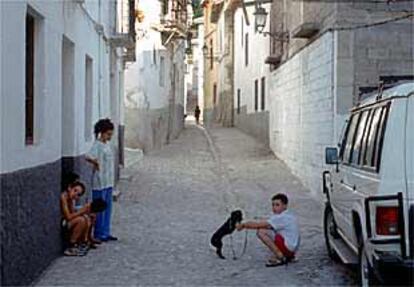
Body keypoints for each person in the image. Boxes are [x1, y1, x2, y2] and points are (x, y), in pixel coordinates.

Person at [236, 193, 300, 267]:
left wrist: (243, 225)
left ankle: (280, 256)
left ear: (285, 206)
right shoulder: (289, 215)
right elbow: (269, 222)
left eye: (277, 205)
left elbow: (259, 225)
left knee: (261, 231)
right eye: (273, 205)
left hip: (288, 249)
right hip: (293, 249)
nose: (274, 207)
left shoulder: (281, 217)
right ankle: (289, 256)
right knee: (268, 228)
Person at [85, 118, 118, 242]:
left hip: (108, 181)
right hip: (99, 181)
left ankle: (106, 231)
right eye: (108, 134)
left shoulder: (107, 145)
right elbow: (88, 156)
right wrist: (95, 163)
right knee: (100, 208)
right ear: (102, 133)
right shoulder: (97, 144)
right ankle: (99, 233)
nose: (110, 136)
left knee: (108, 207)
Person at [61, 181, 100, 256]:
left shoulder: (72, 199)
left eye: (78, 194)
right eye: (75, 190)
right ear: (70, 188)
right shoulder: (64, 197)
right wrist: (81, 211)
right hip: (64, 222)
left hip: (69, 222)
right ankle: (71, 245)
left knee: (87, 218)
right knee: (81, 220)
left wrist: (85, 213)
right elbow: (68, 217)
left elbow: (73, 213)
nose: (75, 194)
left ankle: (84, 241)